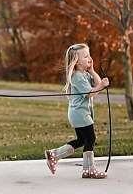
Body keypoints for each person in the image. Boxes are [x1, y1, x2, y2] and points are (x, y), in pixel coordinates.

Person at [45, 43, 110, 179]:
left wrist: (92, 71)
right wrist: (102, 85)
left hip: (78, 113)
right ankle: (89, 169)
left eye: (89, 55)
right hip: (80, 113)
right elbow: (90, 93)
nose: (89, 58)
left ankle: (54, 154)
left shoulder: (84, 74)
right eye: (85, 56)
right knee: (91, 138)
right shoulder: (77, 77)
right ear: (76, 61)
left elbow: (97, 83)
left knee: (82, 140)